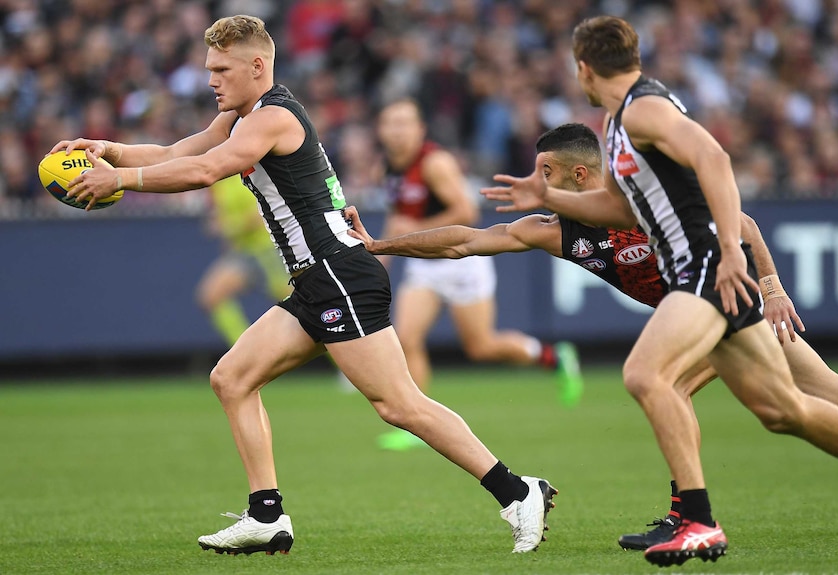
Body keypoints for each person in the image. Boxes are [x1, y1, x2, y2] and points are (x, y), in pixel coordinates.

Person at [52, 15, 557, 556]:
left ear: (257, 66)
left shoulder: (272, 118)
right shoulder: (242, 117)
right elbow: (183, 151)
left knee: (398, 405)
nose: (211, 80)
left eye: (221, 68)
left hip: (340, 274)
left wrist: (120, 181)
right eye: (208, 69)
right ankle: (266, 516)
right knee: (232, 379)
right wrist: (110, 150)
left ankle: (517, 490)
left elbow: (206, 172)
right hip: (316, 281)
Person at [346, 121, 838, 552]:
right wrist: (378, 244)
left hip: (728, 303)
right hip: (713, 315)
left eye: (544, 171)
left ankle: (689, 517)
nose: (535, 180)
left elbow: (743, 223)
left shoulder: (637, 199)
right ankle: (689, 516)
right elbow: (466, 242)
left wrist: (772, 289)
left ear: (578, 174)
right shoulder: (554, 229)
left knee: (674, 387)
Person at [480, 16, 838, 567]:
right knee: (786, 412)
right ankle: (690, 517)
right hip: (703, 272)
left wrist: (734, 253)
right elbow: (619, 208)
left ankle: (697, 521)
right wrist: (548, 199)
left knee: (646, 375)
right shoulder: (620, 123)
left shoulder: (642, 108)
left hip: (703, 268)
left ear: (584, 67)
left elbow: (716, 159)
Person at [374, 98, 583, 451]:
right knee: (406, 338)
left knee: (481, 346)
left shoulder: (434, 163)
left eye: (404, 122)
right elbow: (401, 218)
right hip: (426, 264)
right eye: (390, 122)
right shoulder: (390, 166)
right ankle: (416, 426)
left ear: (420, 129)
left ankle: (553, 357)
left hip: (461, 261)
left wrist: (415, 228)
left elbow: (466, 211)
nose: (396, 130)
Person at [197, 174, 292, 346]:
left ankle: (343, 361)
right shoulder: (217, 181)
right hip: (243, 253)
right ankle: (249, 353)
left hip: (268, 251)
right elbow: (222, 216)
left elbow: (259, 215)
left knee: (302, 310)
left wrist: (227, 228)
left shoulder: (250, 172)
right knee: (211, 296)